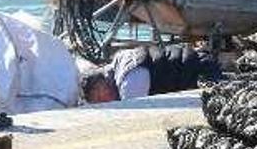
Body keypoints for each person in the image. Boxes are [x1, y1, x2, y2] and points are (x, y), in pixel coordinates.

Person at [81, 44, 220, 104]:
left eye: (99, 96)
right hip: (193, 64)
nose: (104, 102)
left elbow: (134, 116)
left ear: (102, 85)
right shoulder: (120, 61)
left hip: (200, 72)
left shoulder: (130, 82)